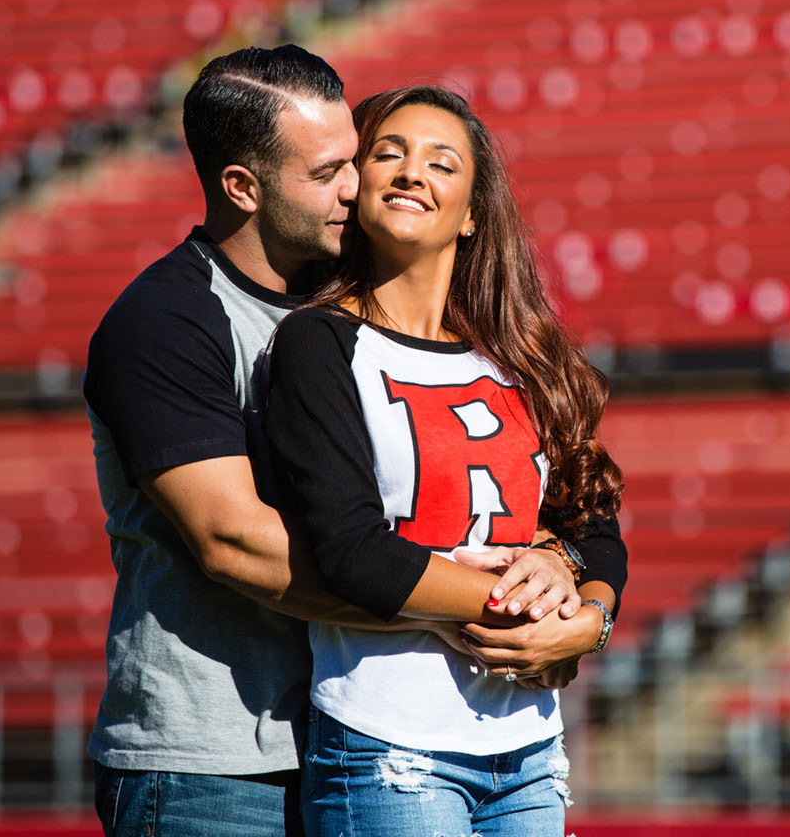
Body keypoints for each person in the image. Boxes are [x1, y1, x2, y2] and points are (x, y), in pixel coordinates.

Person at [83, 46, 626, 837]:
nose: (359, 186)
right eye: (330, 171)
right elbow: (238, 542)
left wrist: (579, 601)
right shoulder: (167, 320)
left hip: (353, 727)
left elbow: (534, 513)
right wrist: (499, 611)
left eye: (354, 161)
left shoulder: (381, 313)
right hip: (217, 761)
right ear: (243, 186)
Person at [263, 84, 624, 837]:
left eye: (441, 162)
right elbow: (354, 553)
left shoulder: (523, 358)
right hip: (390, 747)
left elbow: (593, 528)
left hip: (528, 748)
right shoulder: (318, 344)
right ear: (357, 188)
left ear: (470, 217)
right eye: (388, 154)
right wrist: (531, 619)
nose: (410, 172)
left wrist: (586, 614)